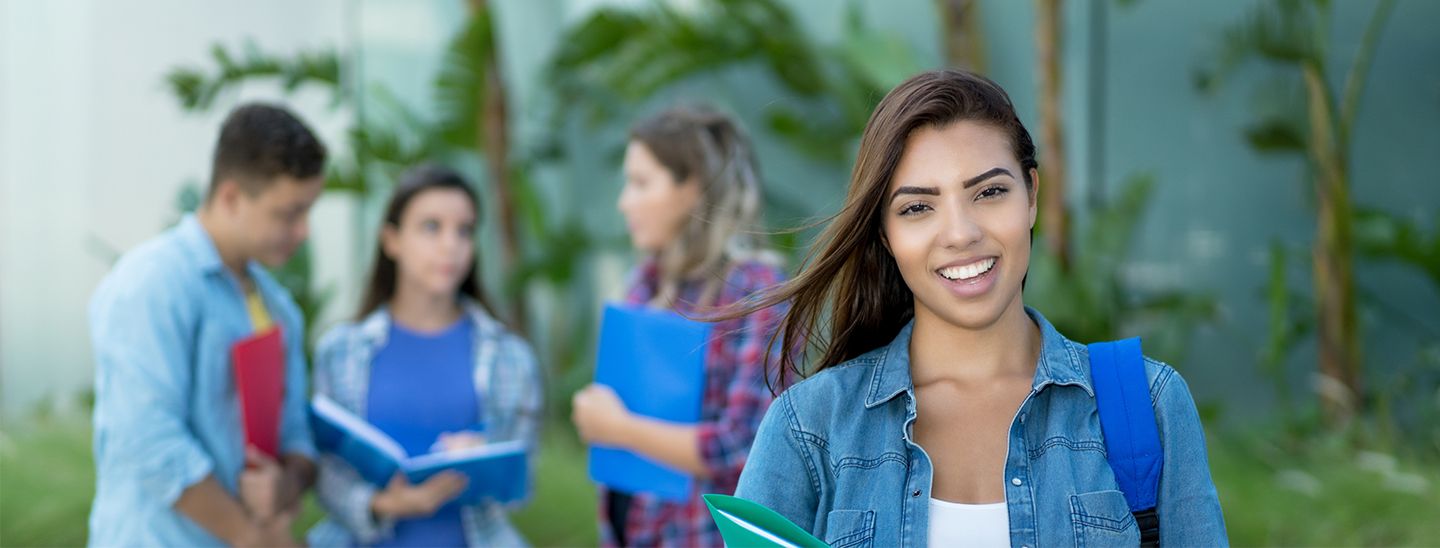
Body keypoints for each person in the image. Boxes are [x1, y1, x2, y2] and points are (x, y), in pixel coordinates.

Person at [732, 70, 1229, 547]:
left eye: (989, 192)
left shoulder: (1147, 403)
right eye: (917, 207)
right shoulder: (809, 426)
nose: (961, 233)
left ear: (1031, 196)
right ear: (885, 233)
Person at [87, 102, 327, 546]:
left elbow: (297, 435)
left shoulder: (278, 307)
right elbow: (148, 439)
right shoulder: (151, 283)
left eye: (308, 211)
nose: (303, 231)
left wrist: (287, 483)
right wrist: (249, 536)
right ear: (231, 198)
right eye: (289, 213)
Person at [570, 105, 788, 546]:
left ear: (692, 188)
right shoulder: (643, 283)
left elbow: (744, 446)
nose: (624, 201)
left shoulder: (754, 290)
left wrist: (617, 429)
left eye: (640, 182)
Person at [307, 164, 543, 547]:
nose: (451, 245)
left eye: (464, 230)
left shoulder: (510, 357)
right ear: (392, 240)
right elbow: (325, 470)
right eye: (431, 227)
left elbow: (521, 482)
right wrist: (382, 504)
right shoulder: (341, 352)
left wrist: (482, 459)